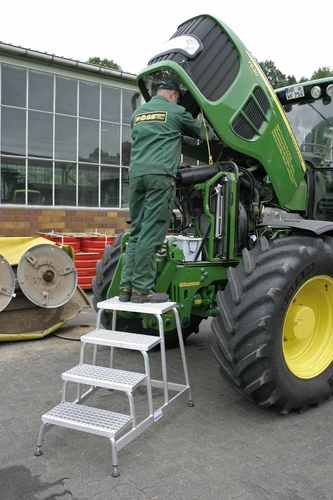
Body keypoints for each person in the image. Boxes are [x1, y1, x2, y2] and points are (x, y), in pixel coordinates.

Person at [119, 78, 202, 303]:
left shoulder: (137, 114)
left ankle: (126, 288)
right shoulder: (175, 111)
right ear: (174, 95)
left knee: (136, 230)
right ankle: (142, 290)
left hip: (136, 176)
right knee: (152, 230)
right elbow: (201, 133)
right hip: (159, 176)